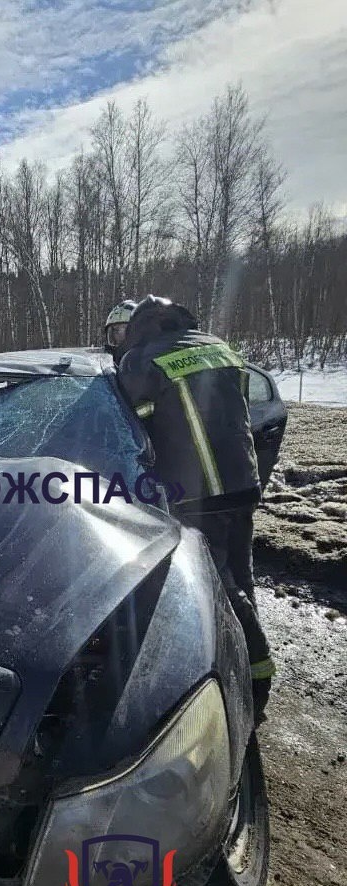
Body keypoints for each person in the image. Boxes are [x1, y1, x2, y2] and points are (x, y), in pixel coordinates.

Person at [108, 295, 275, 722]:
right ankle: (248, 663)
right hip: (243, 484)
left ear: (142, 327)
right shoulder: (217, 345)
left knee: (219, 587)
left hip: (198, 493)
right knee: (241, 575)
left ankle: (252, 682)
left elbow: (130, 428)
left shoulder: (142, 361)